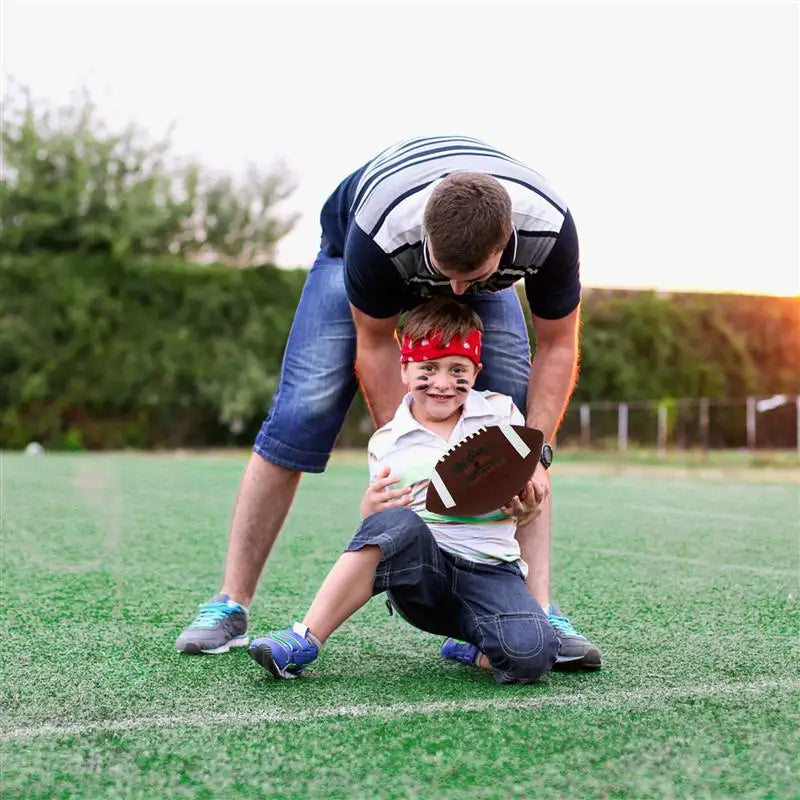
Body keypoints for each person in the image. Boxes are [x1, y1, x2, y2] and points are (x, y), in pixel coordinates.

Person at [176, 135, 601, 668]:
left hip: (466, 255)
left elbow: (558, 345)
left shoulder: (550, 232)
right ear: (425, 232)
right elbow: (376, 345)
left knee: (513, 428)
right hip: (353, 250)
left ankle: (536, 610)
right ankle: (230, 605)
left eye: (467, 278)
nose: (451, 288)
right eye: (442, 270)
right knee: (300, 412)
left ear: (505, 245)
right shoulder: (382, 235)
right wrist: (400, 452)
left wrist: (532, 455)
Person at [248, 299, 561, 682]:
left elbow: (524, 488)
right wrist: (369, 509)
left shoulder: (502, 414)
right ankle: (305, 638)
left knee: (534, 654)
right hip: (423, 575)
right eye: (428, 368)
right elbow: (381, 528)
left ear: (476, 371)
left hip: (492, 571)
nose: (443, 383)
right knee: (396, 522)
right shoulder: (388, 440)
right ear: (405, 370)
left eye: (457, 369)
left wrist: (526, 500)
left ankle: (472, 645)